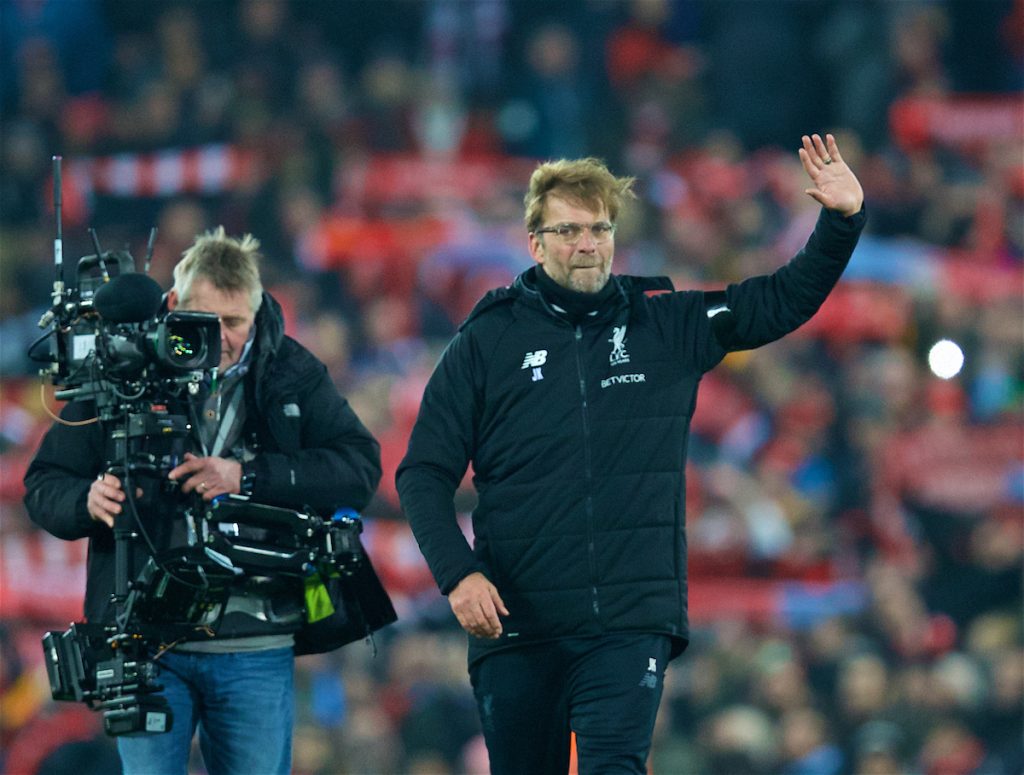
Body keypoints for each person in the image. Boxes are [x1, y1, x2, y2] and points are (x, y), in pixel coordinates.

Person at [396, 134, 865, 774]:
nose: (586, 244)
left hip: (628, 621)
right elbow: (423, 473)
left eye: (599, 228)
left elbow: (779, 301)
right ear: (534, 242)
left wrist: (841, 222)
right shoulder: (485, 341)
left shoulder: (666, 323)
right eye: (567, 230)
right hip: (516, 622)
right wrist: (457, 574)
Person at [24, 227, 382, 775]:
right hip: (146, 644)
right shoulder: (121, 368)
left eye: (236, 323)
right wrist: (87, 501)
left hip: (256, 638)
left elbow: (359, 467)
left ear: (259, 314)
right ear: (172, 306)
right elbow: (44, 483)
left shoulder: (292, 370)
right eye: (205, 322)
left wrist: (247, 475)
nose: (221, 338)